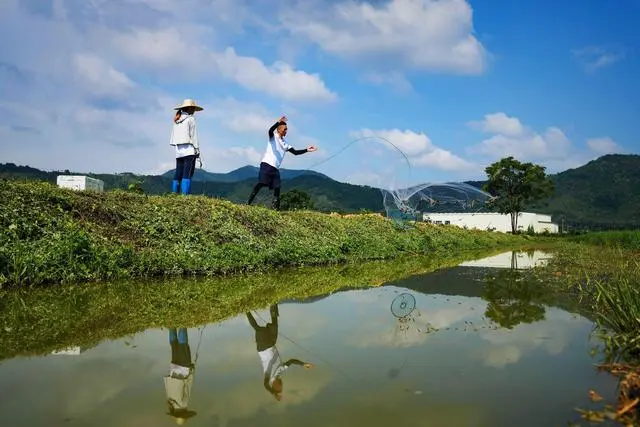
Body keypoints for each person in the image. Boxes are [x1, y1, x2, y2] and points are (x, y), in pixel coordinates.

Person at [246, 304, 314, 401]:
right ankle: (273, 304)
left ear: (274, 385)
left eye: (279, 387)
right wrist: (303, 364)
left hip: (263, 347)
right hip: (272, 343)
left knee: (259, 329)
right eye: (281, 387)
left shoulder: (269, 377)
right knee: (274, 325)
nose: (282, 385)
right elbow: (291, 361)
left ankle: (246, 310)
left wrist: (273, 393)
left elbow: (265, 385)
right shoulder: (280, 371)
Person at [247, 116, 317, 209]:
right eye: (285, 129)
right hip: (267, 164)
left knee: (277, 187)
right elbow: (270, 130)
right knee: (262, 183)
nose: (286, 131)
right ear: (279, 130)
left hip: (275, 168)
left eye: (287, 129)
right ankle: (248, 203)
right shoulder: (273, 137)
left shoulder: (285, 143)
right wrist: (277, 122)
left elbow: (295, 152)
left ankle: (275, 209)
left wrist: (307, 150)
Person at [169, 99, 203, 195]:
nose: (194, 111)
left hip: (178, 150)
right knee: (187, 173)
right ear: (189, 108)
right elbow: (194, 136)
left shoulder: (177, 120)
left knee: (178, 173)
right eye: (193, 108)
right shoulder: (190, 119)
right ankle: (185, 196)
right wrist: (197, 150)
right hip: (189, 150)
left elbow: (173, 137)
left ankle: (174, 193)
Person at [164, 327, 197, 424]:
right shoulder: (171, 403)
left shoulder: (183, 404)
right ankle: (171, 326)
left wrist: (192, 371)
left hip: (183, 370)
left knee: (183, 346)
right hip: (173, 370)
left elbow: (187, 385)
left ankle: (183, 325)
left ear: (184, 413)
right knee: (174, 346)